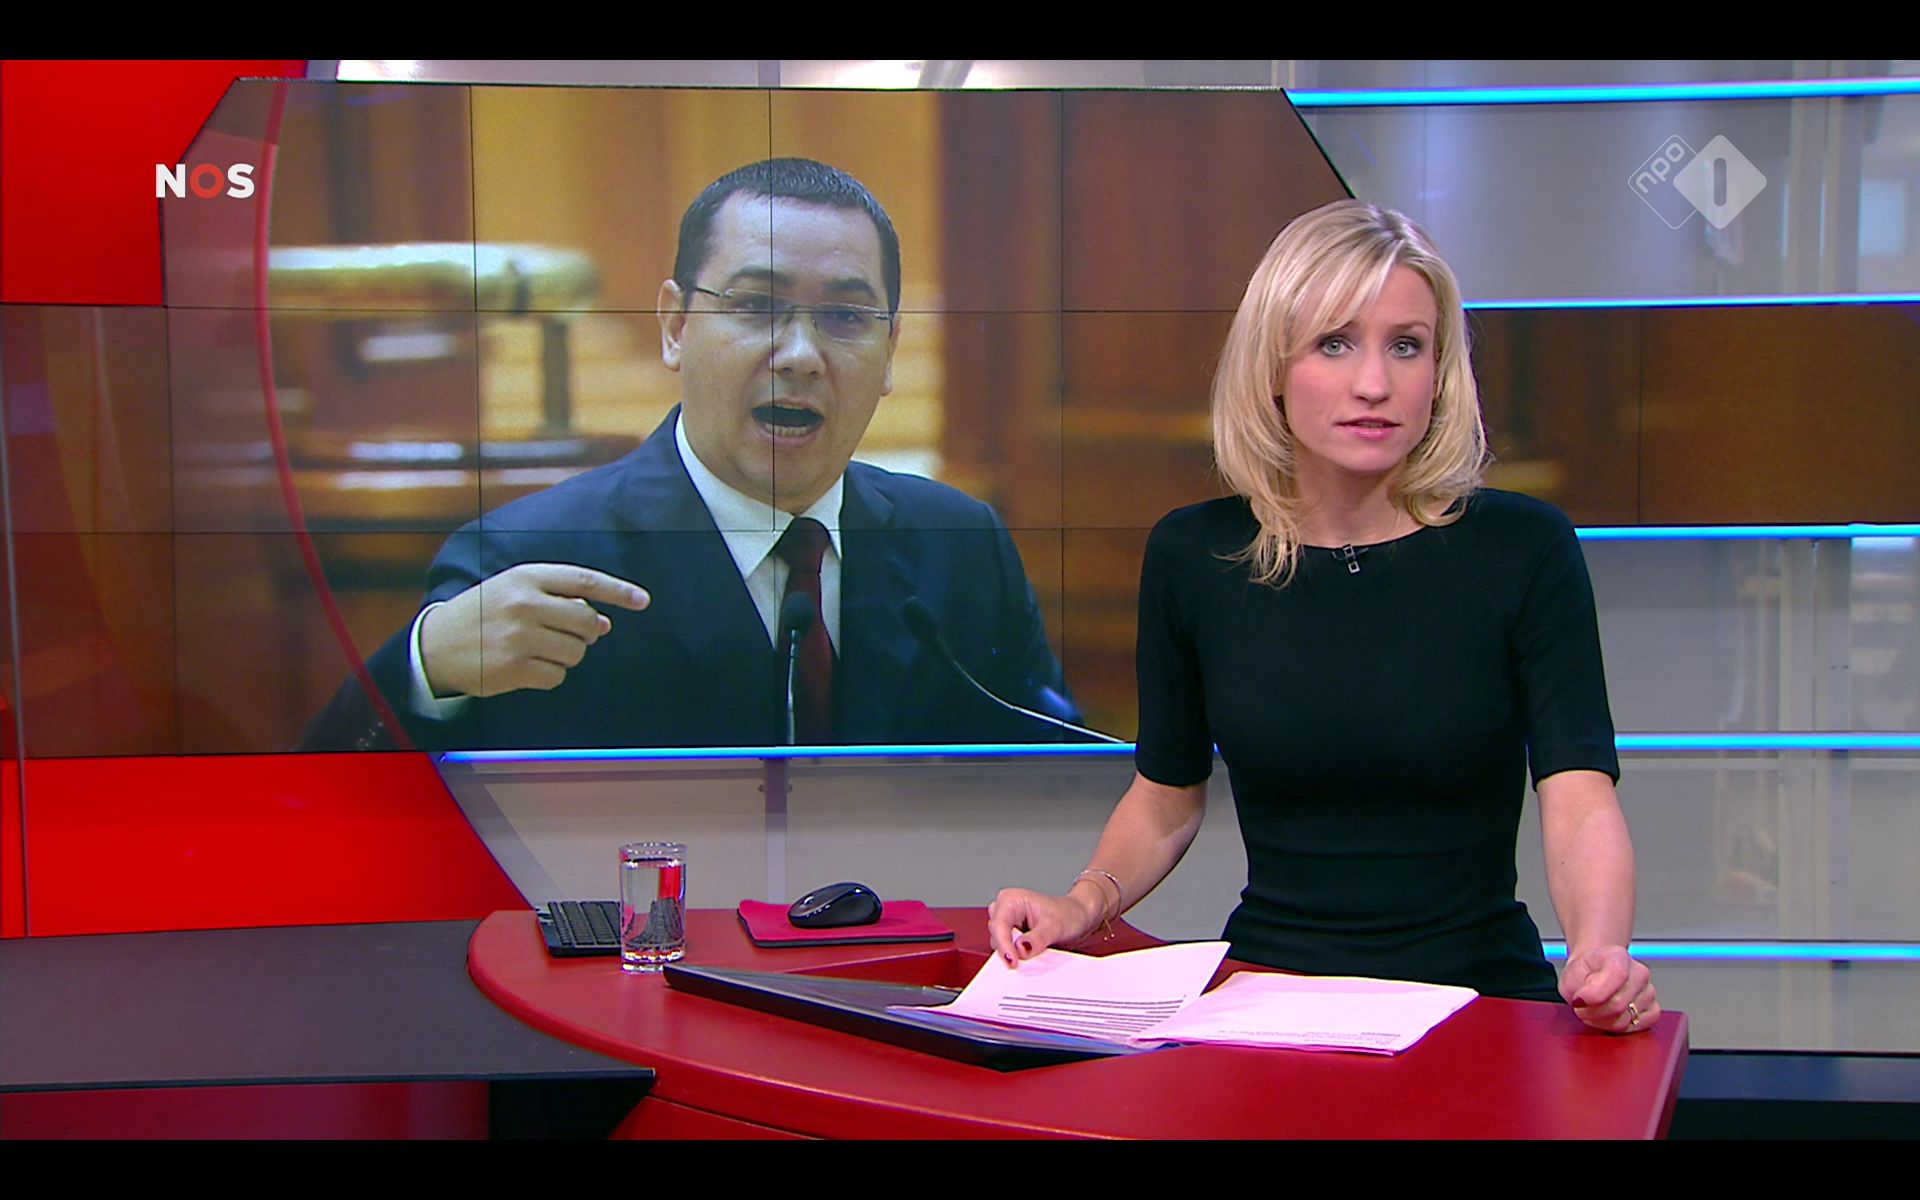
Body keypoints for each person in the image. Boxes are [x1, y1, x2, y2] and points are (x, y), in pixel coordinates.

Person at [987, 199, 1659, 1034]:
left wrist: (1599, 951)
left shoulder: (1524, 549)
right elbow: (1165, 799)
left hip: (1476, 997)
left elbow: (1579, 797)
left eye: (1406, 346)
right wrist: (1081, 905)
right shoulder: (1197, 556)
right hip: (1270, 1001)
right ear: (1273, 365)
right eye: (1334, 343)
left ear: (1441, 371)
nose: (1374, 383)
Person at [304, 158, 1076, 751]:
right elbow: (333, 803)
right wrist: (426, 670)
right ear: (675, 326)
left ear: (891, 350)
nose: (801, 355)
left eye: (845, 316)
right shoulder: (529, 556)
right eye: (756, 306)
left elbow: (1057, 781)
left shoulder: (961, 546)